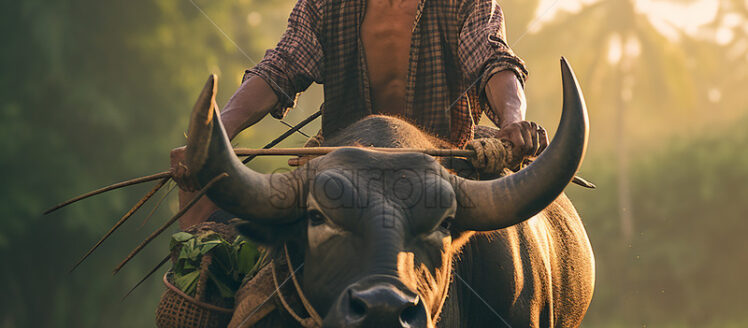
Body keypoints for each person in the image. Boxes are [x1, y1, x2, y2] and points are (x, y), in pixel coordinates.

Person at [171, 0, 549, 229]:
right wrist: (214, 134)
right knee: (221, 231)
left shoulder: (463, 1)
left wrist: (512, 120)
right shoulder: (325, 5)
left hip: (441, 177)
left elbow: (491, 59)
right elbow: (281, 67)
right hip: (342, 180)